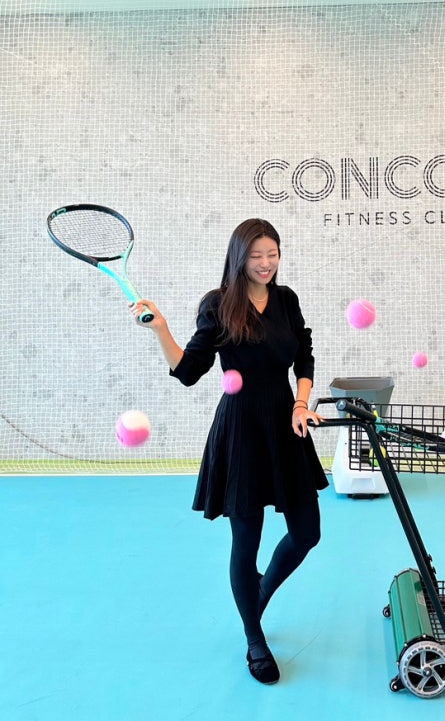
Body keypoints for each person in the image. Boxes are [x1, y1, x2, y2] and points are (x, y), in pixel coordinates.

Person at [130, 218, 328, 685]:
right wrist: (161, 329)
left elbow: (304, 355)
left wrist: (302, 403)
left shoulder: (286, 300)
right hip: (241, 430)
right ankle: (254, 638)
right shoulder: (219, 305)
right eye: (256, 255)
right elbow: (188, 370)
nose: (265, 263)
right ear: (239, 258)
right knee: (247, 539)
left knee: (307, 533)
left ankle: (257, 596)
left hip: (286, 423)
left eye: (272, 254)